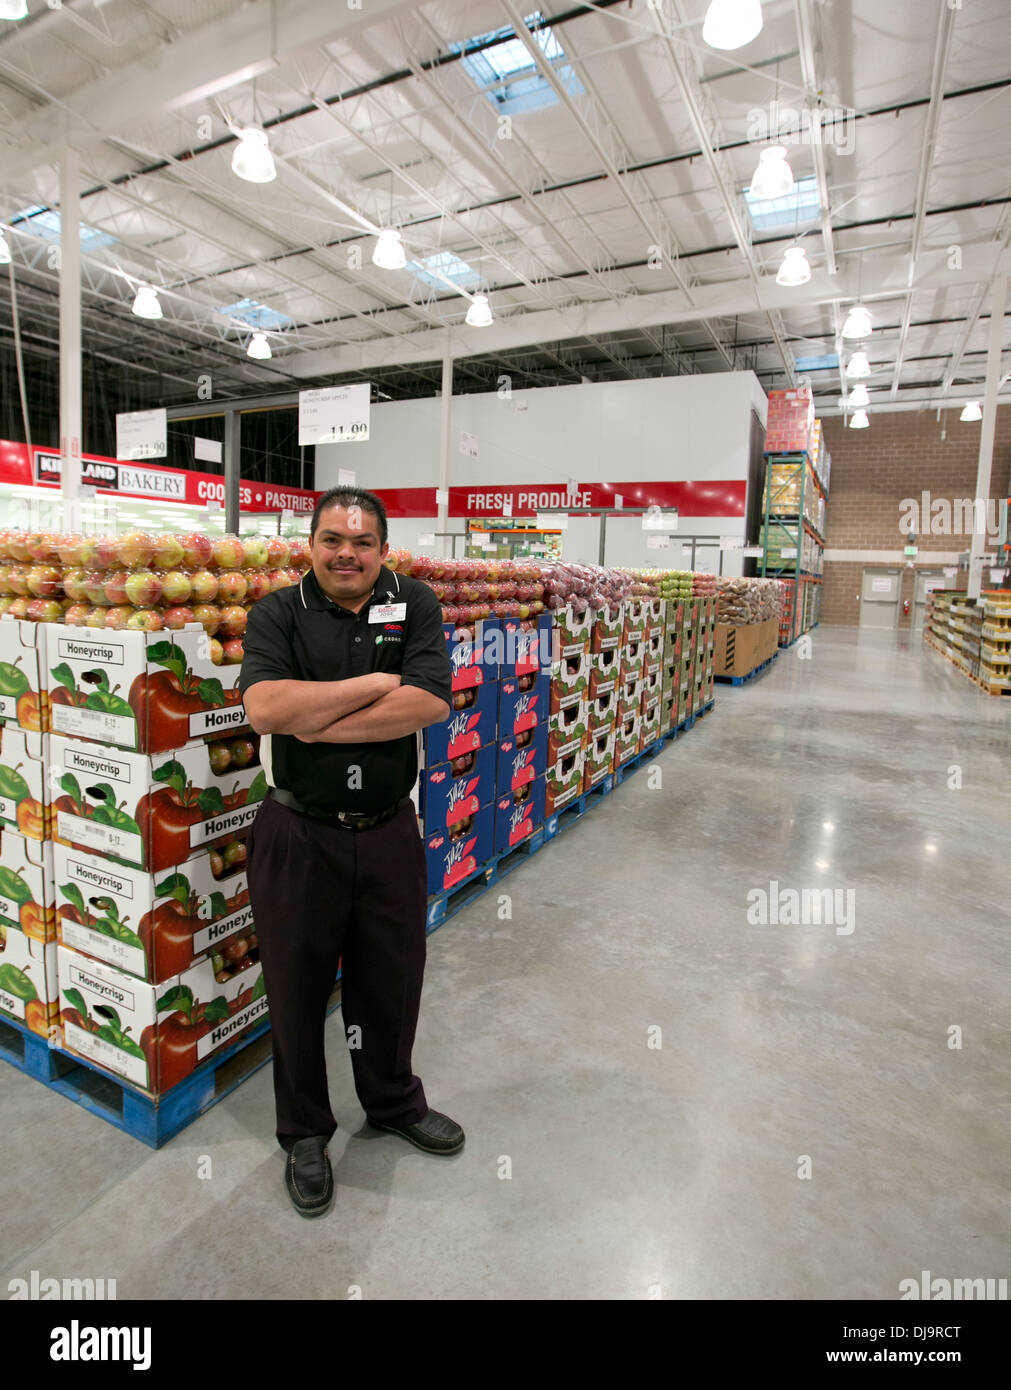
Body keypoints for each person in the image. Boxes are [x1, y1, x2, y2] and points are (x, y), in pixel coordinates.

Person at [239, 485, 462, 1218]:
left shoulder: (417, 602)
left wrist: (315, 717)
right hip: (297, 833)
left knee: (391, 978)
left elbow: (429, 701)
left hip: (389, 828)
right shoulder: (276, 611)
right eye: (332, 539)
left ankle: (393, 1101)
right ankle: (304, 1132)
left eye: (362, 542)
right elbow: (266, 710)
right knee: (296, 987)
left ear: (381, 549)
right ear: (310, 544)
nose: (346, 553)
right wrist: (373, 685)